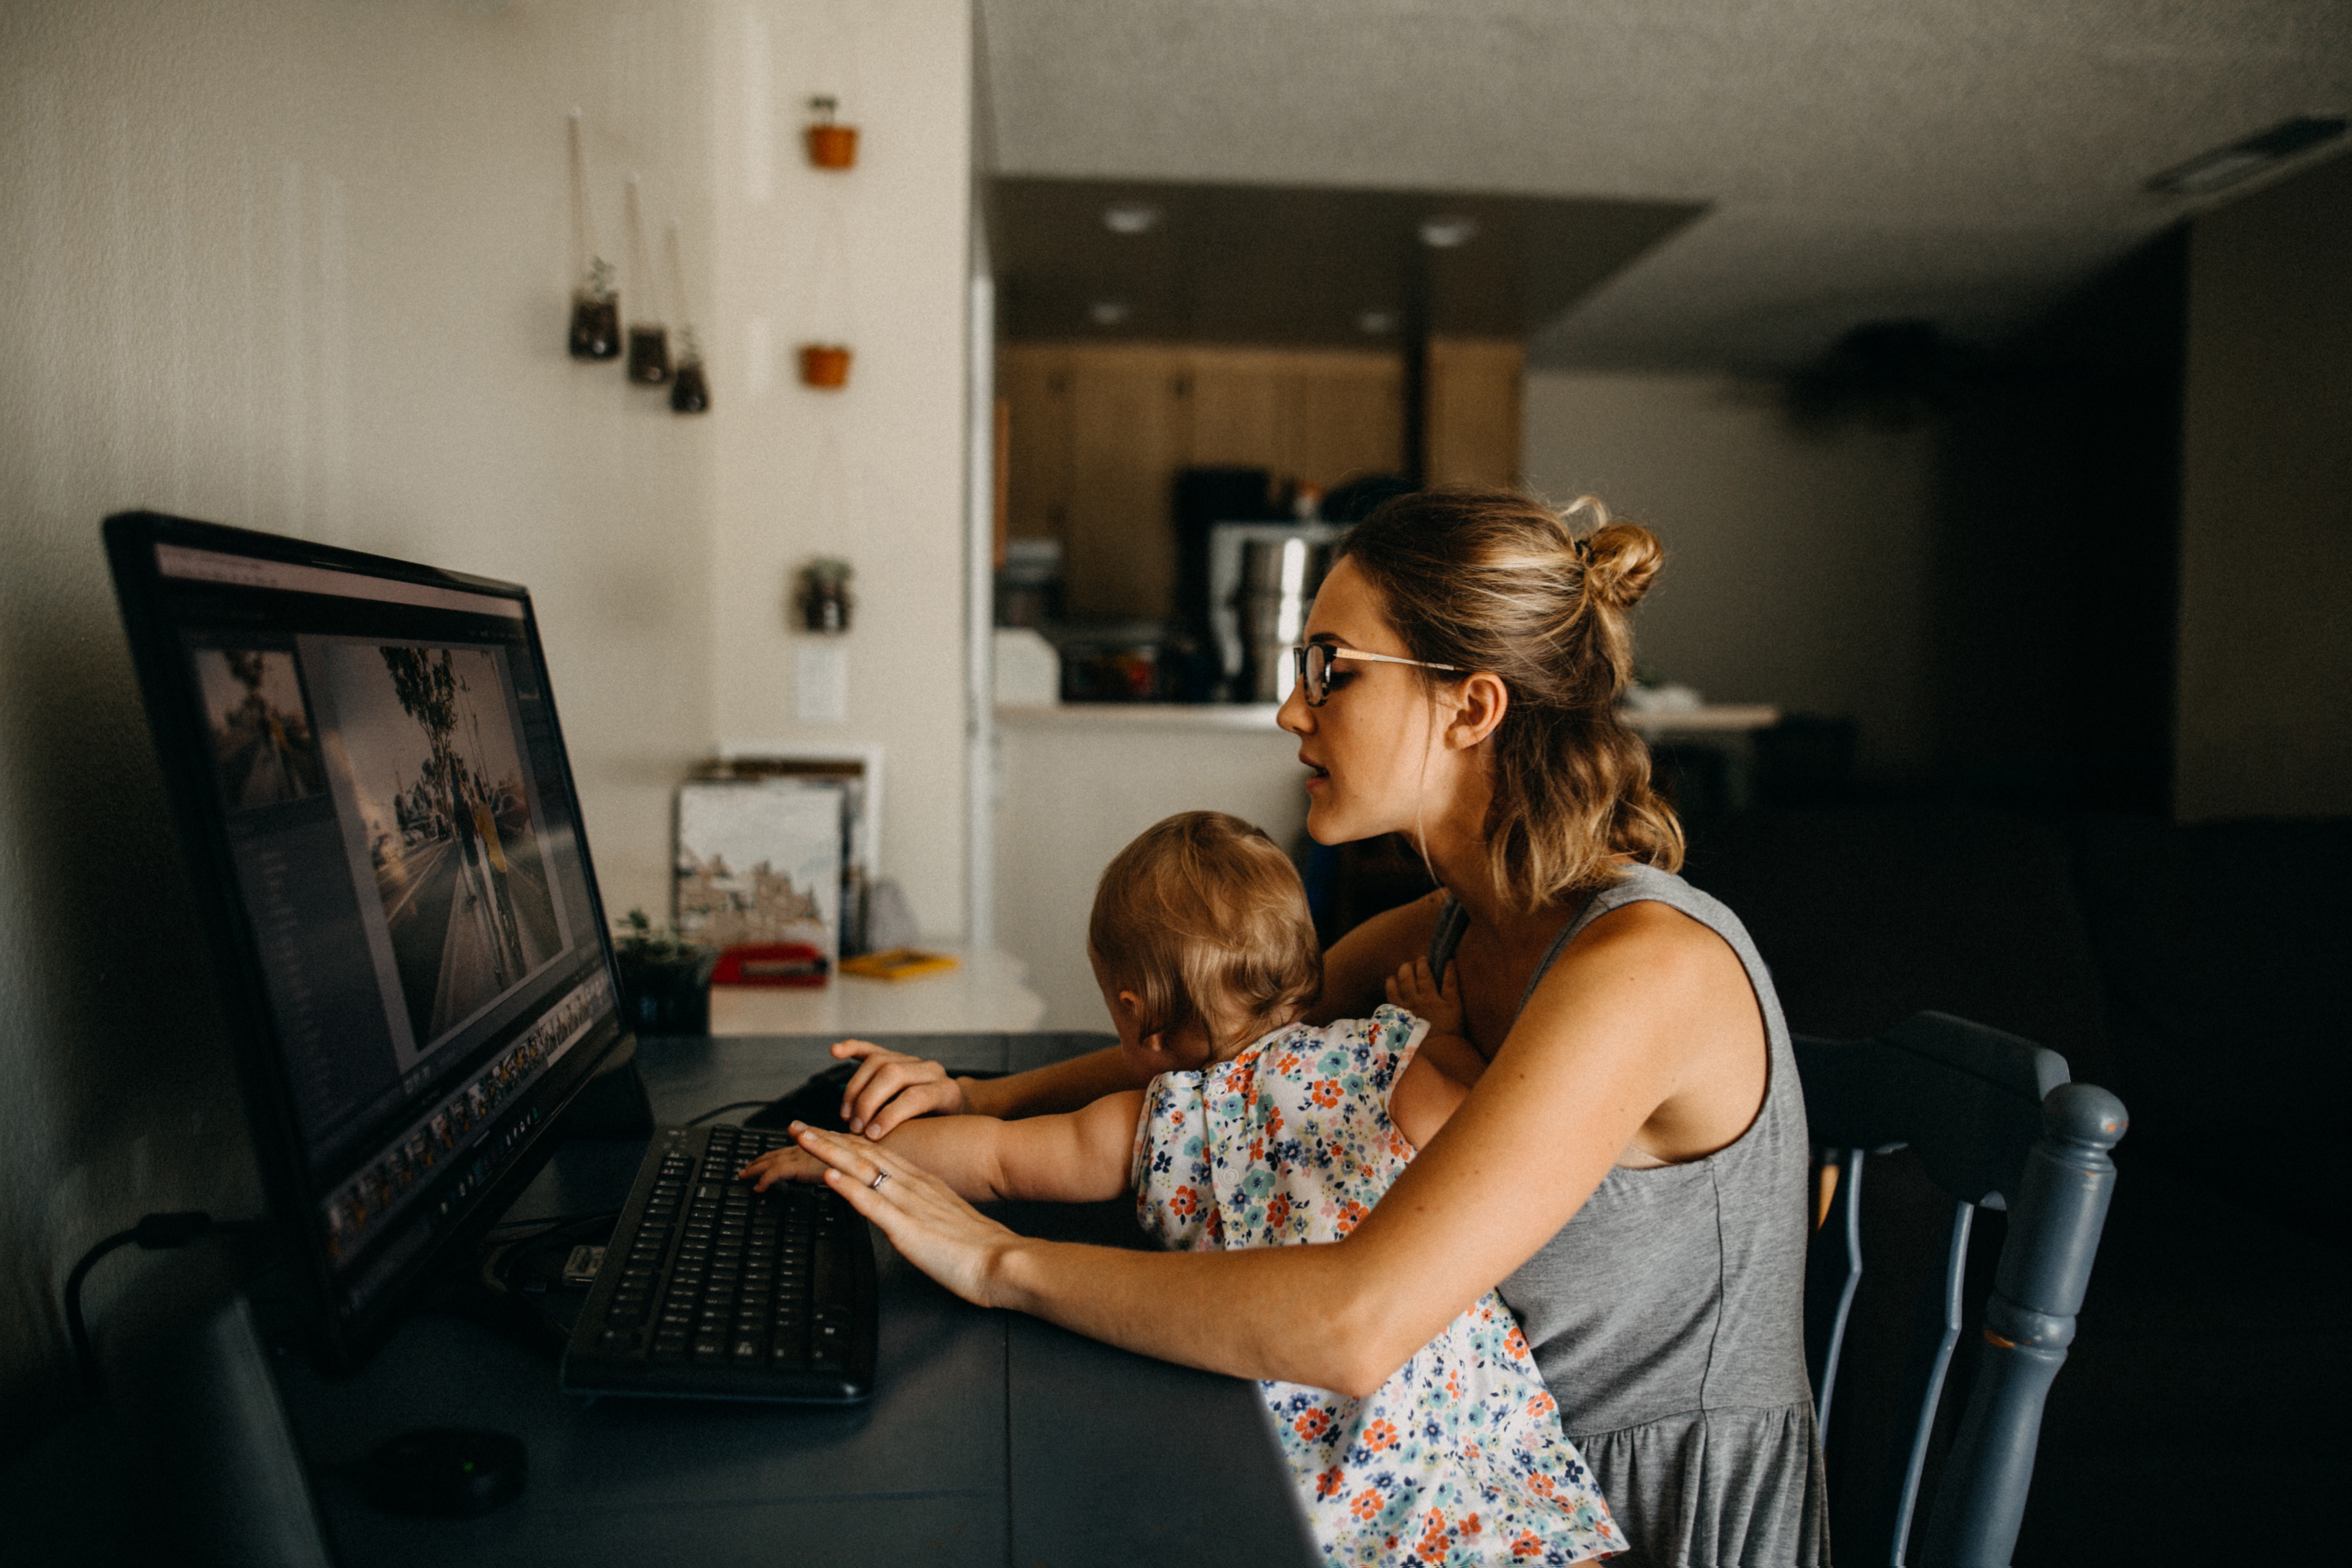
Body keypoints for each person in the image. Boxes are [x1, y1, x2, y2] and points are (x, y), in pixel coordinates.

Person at [776, 490, 1828, 1568]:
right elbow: (1239, 1050)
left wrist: (999, 1260)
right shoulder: (1457, 922)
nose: (1292, 708)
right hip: (1446, 1473)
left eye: (1332, 667)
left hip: (1615, 1516)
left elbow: (1354, 1322)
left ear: (1470, 708)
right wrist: (978, 1097)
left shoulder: (1641, 970)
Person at [742, 810, 1627, 1566]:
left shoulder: (1159, 1121)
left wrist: (844, 1158)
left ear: (1134, 1014)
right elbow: (1472, 1112)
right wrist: (1443, 1030)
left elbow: (996, 1159)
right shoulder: (1392, 1058)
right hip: (1462, 1430)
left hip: (1314, 1459)